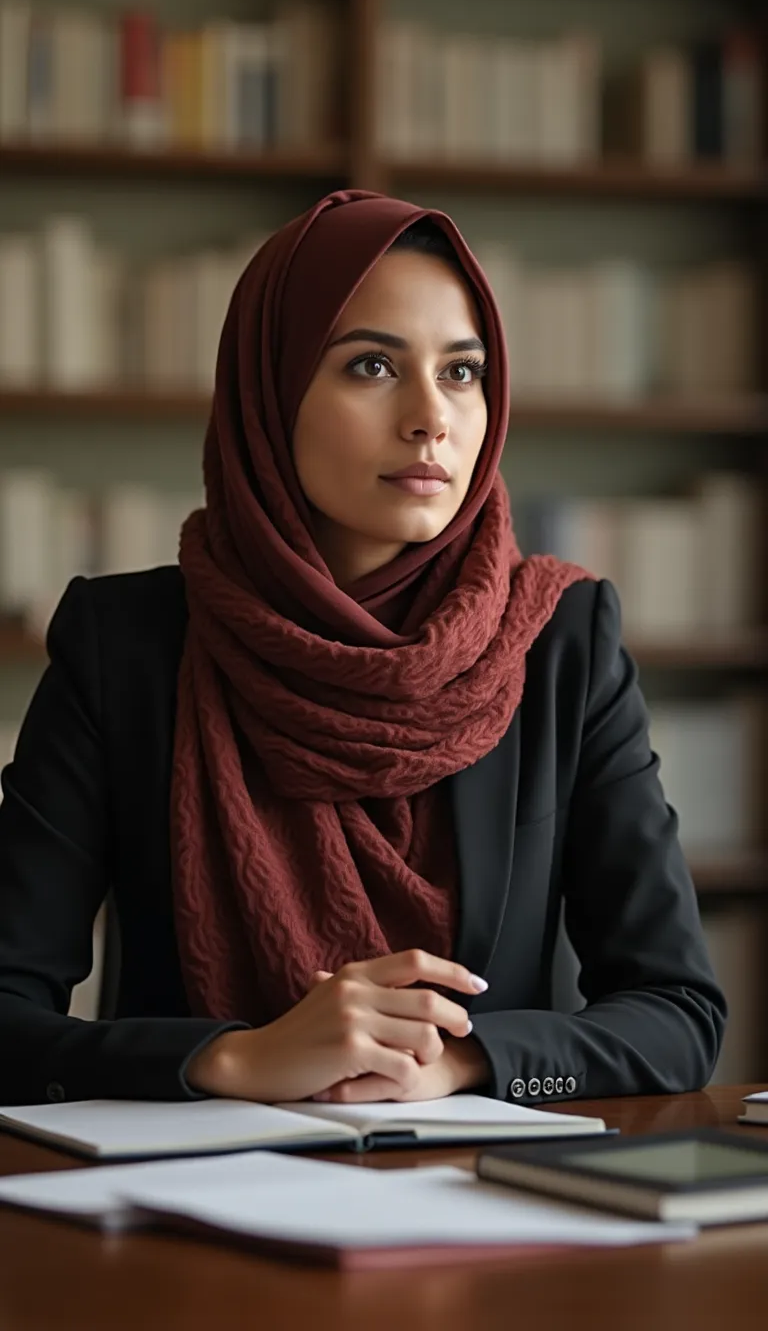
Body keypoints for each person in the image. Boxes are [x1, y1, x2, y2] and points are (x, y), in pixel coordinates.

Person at [0, 189, 724, 1109]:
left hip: (489, 1179)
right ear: (271, 394)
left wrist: (462, 1063)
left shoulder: (561, 640)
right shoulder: (125, 647)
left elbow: (679, 1014)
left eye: (461, 372)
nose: (431, 417)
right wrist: (234, 1060)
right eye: (372, 365)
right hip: (191, 1182)